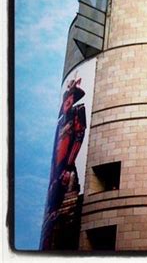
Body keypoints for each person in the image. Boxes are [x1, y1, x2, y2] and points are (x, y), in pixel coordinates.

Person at [40, 77, 87, 250]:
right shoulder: (60, 123)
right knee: (51, 218)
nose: (67, 101)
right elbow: (53, 153)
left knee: (67, 215)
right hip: (56, 173)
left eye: (70, 98)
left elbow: (79, 137)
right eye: (66, 99)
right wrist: (54, 175)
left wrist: (68, 165)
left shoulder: (78, 112)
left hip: (67, 169)